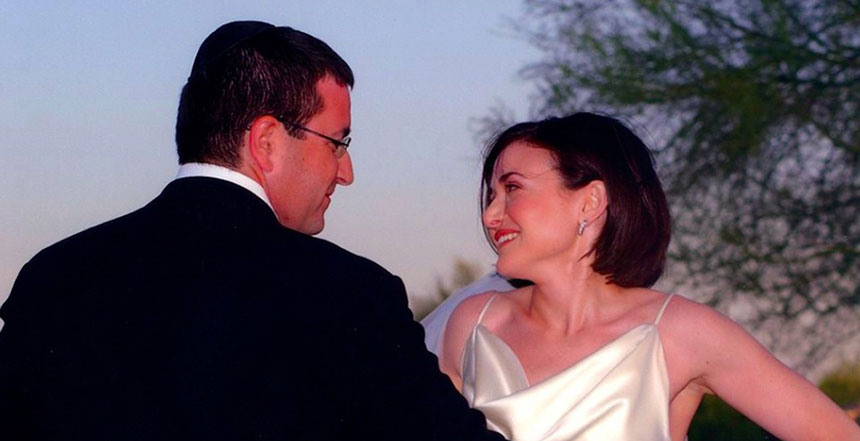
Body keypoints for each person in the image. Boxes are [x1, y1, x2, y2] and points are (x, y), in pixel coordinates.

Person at [0, 21, 505, 441]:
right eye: (338, 141)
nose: (346, 171)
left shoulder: (52, 275)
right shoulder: (346, 293)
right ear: (265, 141)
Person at [437, 113, 860, 441]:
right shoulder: (474, 325)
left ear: (590, 202)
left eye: (513, 188)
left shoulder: (679, 331)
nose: (491, 215)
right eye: (491, 196)